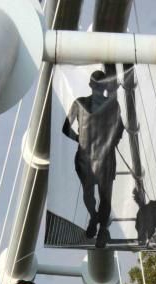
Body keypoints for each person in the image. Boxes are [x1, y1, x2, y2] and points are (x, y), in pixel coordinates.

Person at [62, 68, 125, 249]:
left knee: (101, 196)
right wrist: (80, 140)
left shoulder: (112, 106)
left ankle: (102, 231)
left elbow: (119, 129)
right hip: (90, 157)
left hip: (100, 157)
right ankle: (94, 217)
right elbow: (66, 127)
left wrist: (81, 140)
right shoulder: (80, 103)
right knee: (91, 195)